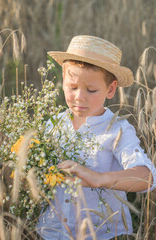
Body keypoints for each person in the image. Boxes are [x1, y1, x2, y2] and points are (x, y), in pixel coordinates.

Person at [36, 35, 156, 240]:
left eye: (91, 90)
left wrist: (98, 179)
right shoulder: (52, 126)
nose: (79, 97)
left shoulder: (117, 130)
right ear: (63, 81)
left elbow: (147, 177)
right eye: (72, 87)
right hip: (51, 232)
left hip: (101, 233)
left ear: (110, 89)